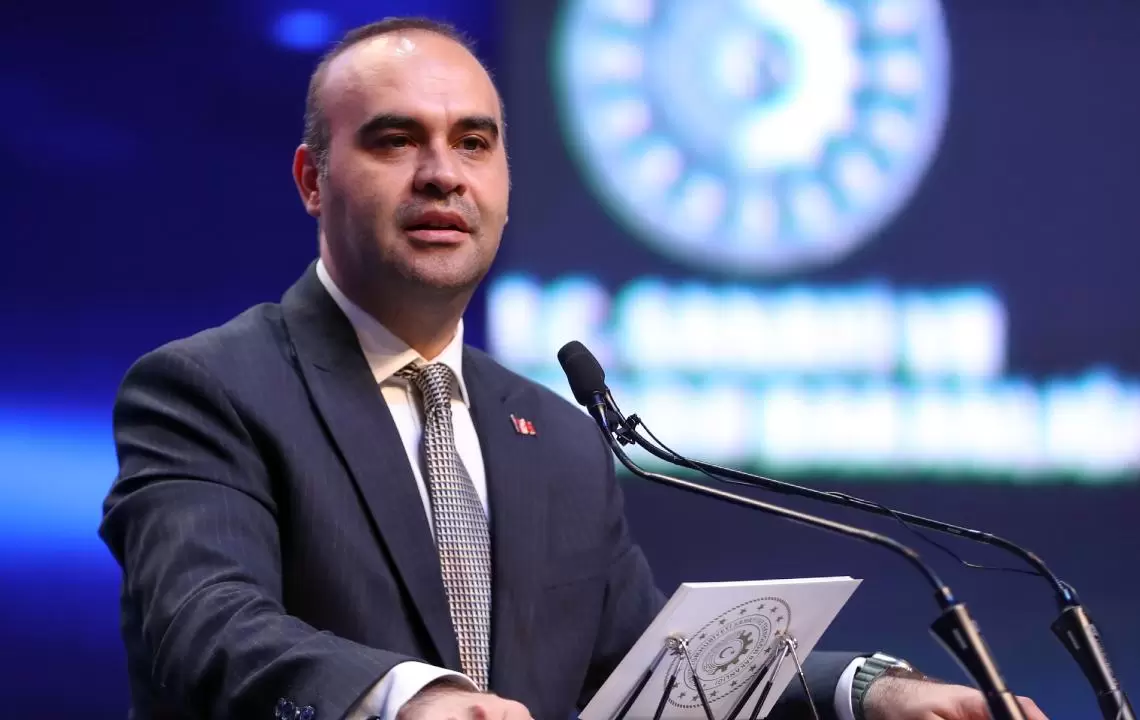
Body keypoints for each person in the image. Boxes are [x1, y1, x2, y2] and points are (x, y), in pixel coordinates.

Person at [99, 17, 1048, 720]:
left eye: (474, 142)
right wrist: (406, 698)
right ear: (313, 180)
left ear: (506, 185)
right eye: (395, 139)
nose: (443, 172)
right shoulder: (209, 390)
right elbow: (203, 625)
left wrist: (864, 693)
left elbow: (653, 678)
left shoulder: (553, 435)